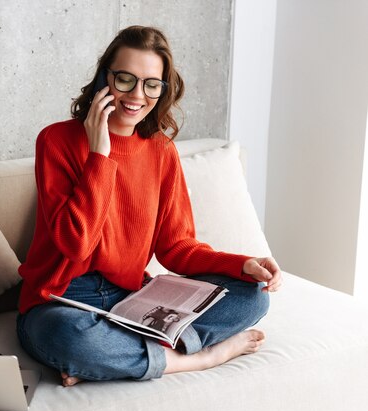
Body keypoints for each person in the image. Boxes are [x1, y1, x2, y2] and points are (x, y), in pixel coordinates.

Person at [16, 25, 282, 387]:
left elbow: (176, 248)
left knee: (253, 298)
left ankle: (118, 359)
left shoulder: (160, 151)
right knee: (69, 338)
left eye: (151, 84)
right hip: (60, 300)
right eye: (125, 79)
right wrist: (100, 154)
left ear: (162, 89)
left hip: (133, 299)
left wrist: (242, 264)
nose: (137, 95)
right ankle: (197, 358)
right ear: (103, 78)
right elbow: (75, 243)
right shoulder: (56, 140)